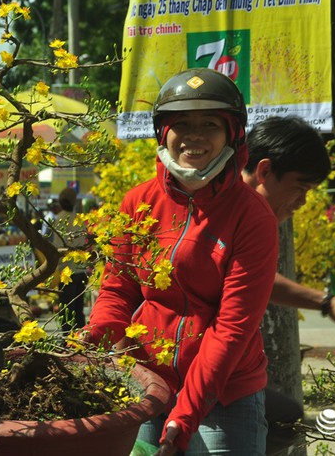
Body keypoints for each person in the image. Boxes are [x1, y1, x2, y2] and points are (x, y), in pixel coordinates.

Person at [86, 69, 278, 455]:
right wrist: (87, 347)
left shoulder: (253, 216)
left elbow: (232, 329)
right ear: (162, 133)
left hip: (225, 394)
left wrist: (186, 414)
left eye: (210, 124)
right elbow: (117, 290)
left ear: (233, 133)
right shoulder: (136, 202)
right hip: (145, 383)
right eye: (182, 124)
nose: (194, 136)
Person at [242, 117, 335, 341]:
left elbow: (254, 277)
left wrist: (327, 302)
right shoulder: (212, 208)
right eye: (300, 188)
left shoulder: (248, 216)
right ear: (264, 171)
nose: (302, 202)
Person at [51, 186, 88, 333]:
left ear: (60, 202)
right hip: (81, 269)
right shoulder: (79, 219)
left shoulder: (59, 219)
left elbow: (56, 247)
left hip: (67, 271)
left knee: (66, 309)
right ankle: (81, 340)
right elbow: (84, 242)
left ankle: (67, 340)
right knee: (79, 309)